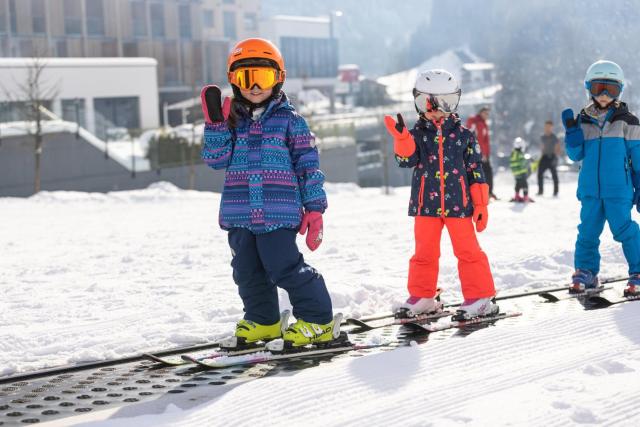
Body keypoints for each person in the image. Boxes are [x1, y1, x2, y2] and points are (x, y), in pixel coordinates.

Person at [200, 38, 335, 346]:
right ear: (234, 81)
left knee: (285, 268)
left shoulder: (291, 121)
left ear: (279, 79)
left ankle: (318, 320)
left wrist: (314, 208)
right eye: (247, 78)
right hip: (240, 214)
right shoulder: (231, 123)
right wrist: (215, 126)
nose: (256, 86)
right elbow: (216, 160)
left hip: (278, 212)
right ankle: (264, 321)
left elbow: (308, 166)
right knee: (246, 271)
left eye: (264, 77)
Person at [384, 69, 498, 320]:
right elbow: (406, 160)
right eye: (428, 102)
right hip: (426, 205)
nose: (435, 109)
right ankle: (423, 296)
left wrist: (480, 205)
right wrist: (402, 139)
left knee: (468, 251)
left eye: (444, 103)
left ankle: (480, 297)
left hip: (460, 206)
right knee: (424, 253)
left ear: (454, 102)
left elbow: (475, 170)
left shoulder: (464, 136)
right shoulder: (415, 135)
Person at [562, 60, 640, 296]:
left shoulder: (629, 121)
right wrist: (572, 134)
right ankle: (586, 271)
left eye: (611, 89)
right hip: (590, 191)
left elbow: (638, 159)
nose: (604, 95)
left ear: (619, 91)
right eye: (599, 88)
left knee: (625, 230)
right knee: (587, 231)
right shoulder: (582, 121)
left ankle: (638, 271)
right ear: (589, 89)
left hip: (618, 190)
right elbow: (575, 155)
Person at [466, 106, 498, 200]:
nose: (487, 115)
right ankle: (483, 194)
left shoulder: (484, 124)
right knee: (480, 173)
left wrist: (486, 153)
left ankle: (488, 192)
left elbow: (485, 141)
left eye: (488, 114)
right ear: (480, 113)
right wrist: (480, 153)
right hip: (477, 153)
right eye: (485, 113)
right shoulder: (475, 122)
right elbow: (475, 138)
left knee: (486, 172)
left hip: (484, 154)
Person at [537, 120, 561, 196]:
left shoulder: (554, 137)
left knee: (554, 175)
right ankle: (540, 191)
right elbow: (542, 148)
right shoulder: (542, 137)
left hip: (552, 157)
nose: (547, 128)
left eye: (549, 126)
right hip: (544, 157)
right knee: (539, 174)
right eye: (546, 126)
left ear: (552, 127)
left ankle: (555, 192)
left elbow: (558, 148)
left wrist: (556, 158)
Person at [510, 137, 534, 203]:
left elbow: (512, 163)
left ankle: (516, 195)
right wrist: (529, 160)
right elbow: (523, 162)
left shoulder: (513, 153)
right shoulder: (520, 154)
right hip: (521, 172)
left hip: (515, 173)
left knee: (518, 183)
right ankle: (525, 197)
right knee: (524, 184)